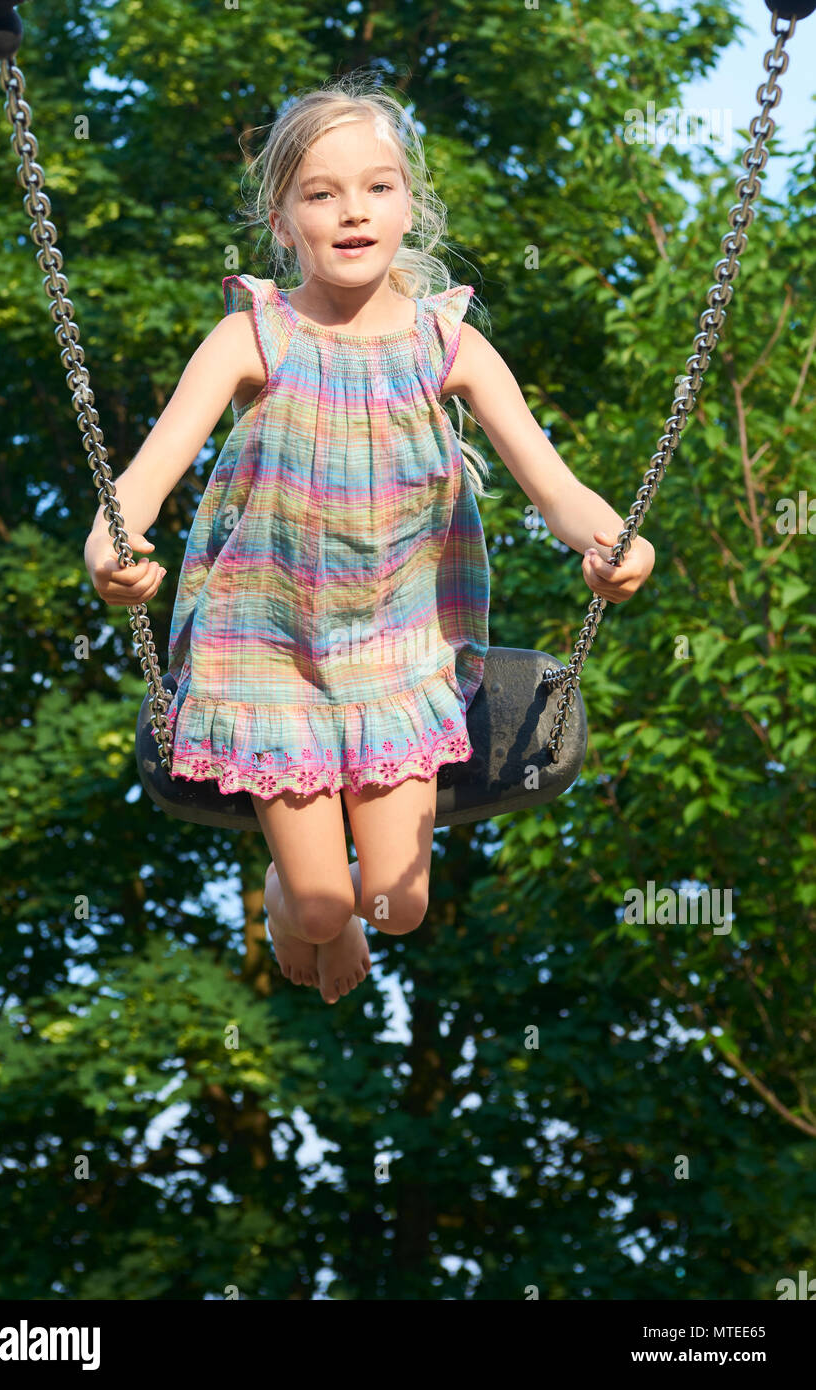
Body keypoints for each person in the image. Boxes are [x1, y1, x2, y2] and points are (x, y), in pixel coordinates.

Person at [85, 76, 655, 1007]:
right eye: (322, 194)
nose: (353, 212)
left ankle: (345, 894)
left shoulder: (449, 348)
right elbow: (133, 493)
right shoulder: (250, 337)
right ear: (282, 221)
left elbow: (555, 489)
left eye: (378, 187)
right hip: (267, 652)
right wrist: (110, 554)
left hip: (399, 651)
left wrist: (619, 544)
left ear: (410, 205)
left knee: (394, 904)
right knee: (321, 912)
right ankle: (290, 894)